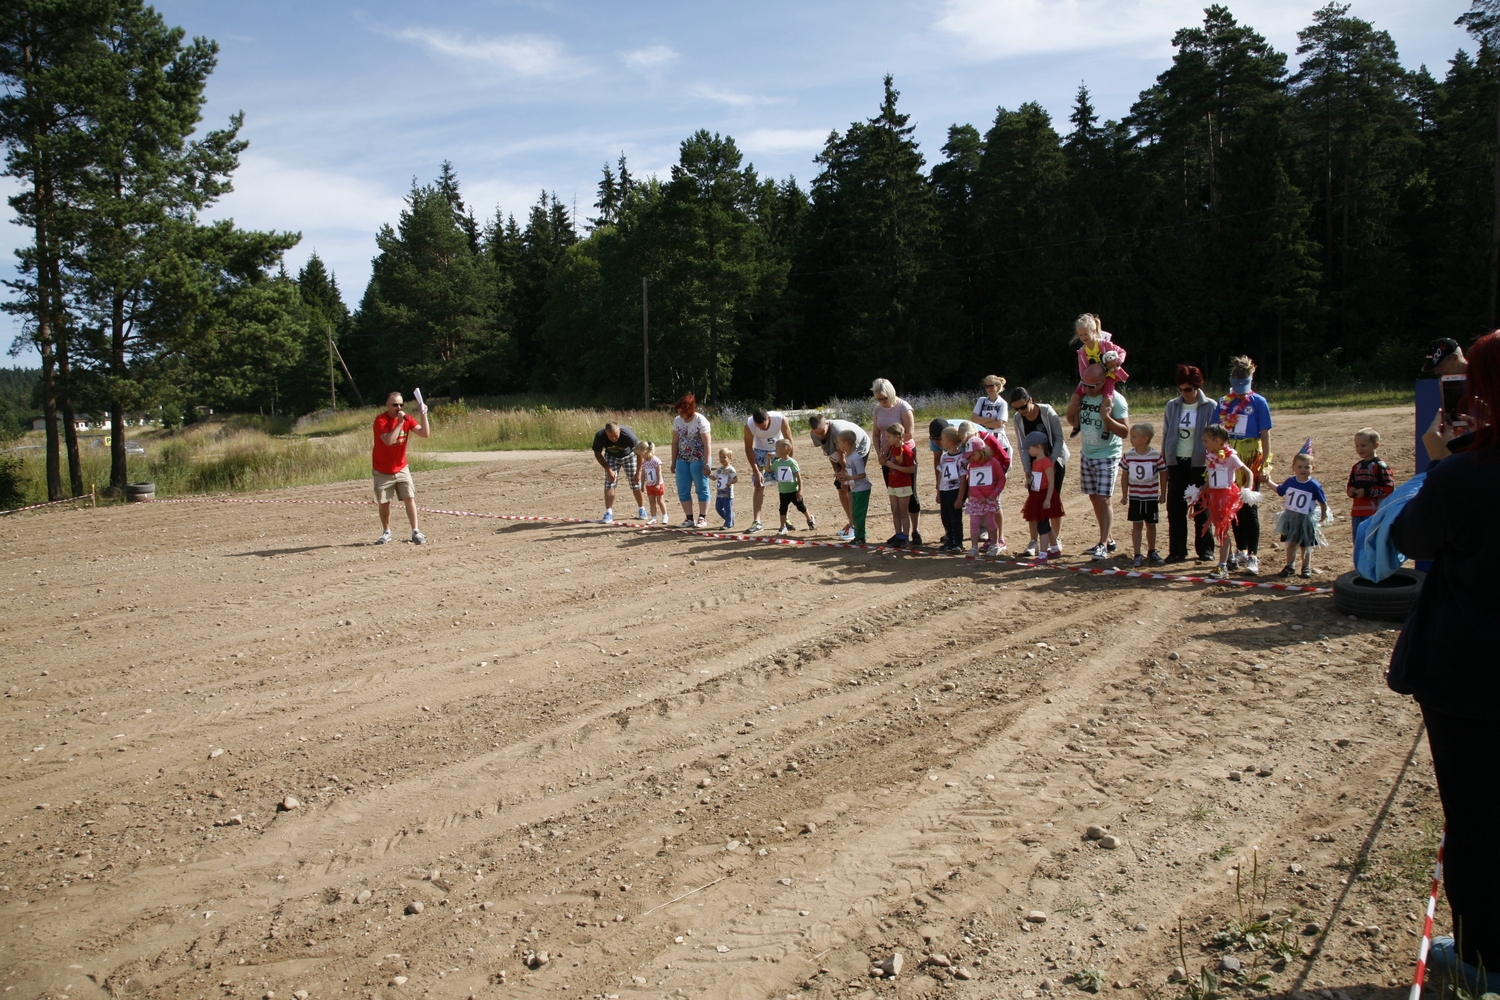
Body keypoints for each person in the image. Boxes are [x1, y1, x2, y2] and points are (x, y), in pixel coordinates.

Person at [1387, 330, 1500, 993]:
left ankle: (1484, 956)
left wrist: (1436, 459)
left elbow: (1411, 538)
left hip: (1470, 677)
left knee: (1478, 815)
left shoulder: (1465, 473)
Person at [1212, 356, 1273, 575]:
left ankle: (1253, 556)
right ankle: (1241, 549)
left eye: (1243, 387)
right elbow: (1215, 431)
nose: (1239, 392)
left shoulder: (1258, 402)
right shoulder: (1223, 402)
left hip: (1249, 458)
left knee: (1249, 506)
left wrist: (1264, 463)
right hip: (1228, 458)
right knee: (1233, 507)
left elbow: (1265, 435)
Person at [1066, 363, 1130, 560]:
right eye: (1084, 385)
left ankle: (1102, 544)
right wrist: (1071, 408)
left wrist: (1106, 418)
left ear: (1103, 382)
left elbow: (1125, 432)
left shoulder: (1116, 401)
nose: (1086, 389)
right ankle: (1108, 540)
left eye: (1091, 386)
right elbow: (1072, 421)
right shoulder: (1083, 396)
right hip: (1087, 454)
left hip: (1108, 454)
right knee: (1093, 497)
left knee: (1104, 499)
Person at [1163, 365, 1217, 563]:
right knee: (1175, 509)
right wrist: (1167, 462)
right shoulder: (1172, 406)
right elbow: (1166, 434)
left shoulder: (1210, 406)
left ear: (1197, 387)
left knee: (1202, 509)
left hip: (1200, 464)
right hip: (1177, 463)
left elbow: (1216, 437)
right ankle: (1177, 551)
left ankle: (1205, 550)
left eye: (1188, 390)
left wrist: (1213, 464)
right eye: (1181, 389)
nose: (1184, 394)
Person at [1010, 386, 1070, 554]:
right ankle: (1033, 541)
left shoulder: (1047, 411)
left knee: (1053, 501)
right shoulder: (1018, 418)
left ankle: (1055, 540)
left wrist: (1048, 463)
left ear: (1031, 400)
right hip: (1034, 463)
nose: (1020, 411)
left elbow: (1058, 438)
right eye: (1016, 408)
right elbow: (1022, 446)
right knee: (1035, 501)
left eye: (1022, 407)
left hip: (1054, 460)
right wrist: (1027, 469)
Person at [371, 390, 430, 545]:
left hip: (401, 467)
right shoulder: (381, 421)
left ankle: (416, 531)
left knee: (409, 497)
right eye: (395, 404)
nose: (398, 407)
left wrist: (423, 413)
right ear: (387, 405)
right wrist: (399, 423)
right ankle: (386, 531)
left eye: (401, 404)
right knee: (384, 502)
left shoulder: (407, 419)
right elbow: (389, 441)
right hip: (383, 469)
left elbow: (425, 433)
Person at [1194, 424, 1250, 580]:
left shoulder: (1231, 457)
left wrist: (1247, 489)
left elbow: (1248, 472)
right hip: (1214, 496)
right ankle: (1229, 558)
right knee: (1220, 528)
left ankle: (1222, 565)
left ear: (1218, 440)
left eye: (1206, 441)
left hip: (1226, 496)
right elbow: (1210, 480)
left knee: (1223, 530)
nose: (1204, 444)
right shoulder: (1210, 457)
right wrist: (1198, 492)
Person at [871, 378, 923, 546]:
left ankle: (914, 530)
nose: (881, 402)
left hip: (903, 451)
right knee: (893, 490)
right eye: (878, 399)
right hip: (887, 455)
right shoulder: (878, 410)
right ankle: (899, 533)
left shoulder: (903, 407)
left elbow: (909, 433)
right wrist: (880, 453)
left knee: (910, 493)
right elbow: (875, 434)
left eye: (884, 398)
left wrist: (888, 445)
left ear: (891, 394)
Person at [808, 414, 869, 542]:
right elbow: (830, 452)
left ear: (827, 425)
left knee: (851, 488)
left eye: (822, 433)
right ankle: (851, 523)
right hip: (840, 454)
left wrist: (846, 476)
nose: (820, 436)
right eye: (816, 433)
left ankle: (856, 527)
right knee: (841, 488)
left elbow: (844, 455)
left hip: (857, 450)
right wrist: (837, 471)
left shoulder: (838, 432)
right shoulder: (815, 433)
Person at [1273, 442, 1328, 578]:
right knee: (1291, 542)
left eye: (1306, 467)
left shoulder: (1314, 485)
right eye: (1299, 467)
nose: (1303, 469)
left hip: (1306, 519)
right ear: (1294, 468)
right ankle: (1290, 566)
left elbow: (1322, 501)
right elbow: (1280, 490)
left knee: (1306, 544)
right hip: (1291, 517)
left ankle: (1306, 567)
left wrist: (1323, 514)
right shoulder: (1290, 481)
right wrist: (1268, 481)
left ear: (1313, 468)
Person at [1119, 422, 1167, 567]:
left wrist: (1163, 493)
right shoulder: (1128, 456)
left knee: (1151, 525)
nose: (1131, 439)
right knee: (1136, 525)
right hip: (1136, 497)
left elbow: (1163, 474)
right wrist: (1124, 495)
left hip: (1151, 497)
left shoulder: (1156, 455)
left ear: (1145, 439)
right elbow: (1124, 476)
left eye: (1134, 437)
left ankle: (1152, 551)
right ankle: (1137, 554)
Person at [1346, 428, 1394, 552]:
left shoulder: (1380, 466)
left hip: (1374, 512)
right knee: (1359, 542)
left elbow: (1388, 488)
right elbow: (1351, 484)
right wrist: (1351, 491)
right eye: (1357, 445)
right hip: (1357, 512)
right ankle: (1362, 568)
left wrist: (1367, 492)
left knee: (1373, 542)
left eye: (1363, 445)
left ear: (1375, 445)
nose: (1359, 449)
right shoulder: (1356, 467)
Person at [1070, 313, 1129, 411]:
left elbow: (1122, 352)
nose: (1083, 337)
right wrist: (1085, 385)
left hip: (1108, 377)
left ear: (1093, 331)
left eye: (1085, 334)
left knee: (1107, 400)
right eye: (1080, 335)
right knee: (1074, 398)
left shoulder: (1104, 344)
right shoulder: (1081, 352)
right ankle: (1077, 425)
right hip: (1090, 381)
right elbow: (1082, 371)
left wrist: (1117, 361)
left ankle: (1107, 420)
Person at [742, 407, 788, 533]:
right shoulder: (750, 424)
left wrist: (788, 461)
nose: (761, 428)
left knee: (785, 486)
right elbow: (748, 448)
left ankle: (786, 519)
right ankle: (757, 522)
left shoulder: (780, 419)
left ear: (769, 419)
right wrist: (756, 471)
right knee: (758, 485)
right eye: (759, 426)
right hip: (760, 453)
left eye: (763, 425)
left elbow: (789, 441)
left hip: (779, 451)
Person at [671, 393, 713, 528]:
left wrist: (707, 463)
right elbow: (675, 442)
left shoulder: (701, 421)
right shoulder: (677, 421)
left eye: (682, 410)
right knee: (683, 489)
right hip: (682, 460)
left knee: (701, 488)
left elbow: (707, 444)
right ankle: (689, 518)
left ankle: (703, 517)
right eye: (679, 410)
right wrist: (673, 462)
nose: (680, 413)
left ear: (690, 409)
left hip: (699, 460)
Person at [591, 421, 645, 524]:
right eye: (610, 437)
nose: (613, 439)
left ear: (619, 430)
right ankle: (608, 513)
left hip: (629, 456)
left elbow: (640, 453)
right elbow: (597, 453)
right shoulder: (600, 435)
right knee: (609, 483)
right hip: (611, 457)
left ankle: (641, 509)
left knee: (636, 483)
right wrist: (608, 469)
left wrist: (638, 472)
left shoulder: (629, 435)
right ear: (606, 433)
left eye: (615, 436)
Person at [1020, 430, 1063, 560]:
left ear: (1039, 447)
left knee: (1042, 526)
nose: (1027, 451)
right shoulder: (1035, 462)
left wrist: (1048, 499)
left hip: (1045, 496)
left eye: (1029, 448)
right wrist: (1029, 482)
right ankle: (1054, 548)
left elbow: (1051, 483)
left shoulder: (1047, 463)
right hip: (1037, 495)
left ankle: (1043, 554)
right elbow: (1037, 477)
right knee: (1044, 524)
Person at [964, 443, 1006, 557]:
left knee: (990, 522)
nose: (971, 457)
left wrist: (995, 493)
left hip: (990, 499)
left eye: (973, 454)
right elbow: (972, 483)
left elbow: (1002, 479)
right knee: (974, 522)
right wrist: (978, 496)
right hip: (976, 499)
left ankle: (994, 544)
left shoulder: (993, 462)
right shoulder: (972, 465)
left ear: (981, 451)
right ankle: (974, 547)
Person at [878, 422, 916, 546]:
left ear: (897, 437)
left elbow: (911, 469)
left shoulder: (906, 450)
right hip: (893, 484)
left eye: (889, 437)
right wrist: (884, 462)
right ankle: (898, 534)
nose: (887, 439)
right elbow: (888, 462)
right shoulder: (892, 449)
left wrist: (894, 466)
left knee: (903, 511)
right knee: (895, 511)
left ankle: (905, 536)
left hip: (903, 485)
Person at [768, 438, 814, 536]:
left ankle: (809, 519)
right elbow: (768, 469)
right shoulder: (777, 462)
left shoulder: (792, 462)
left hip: (794, 490)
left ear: (784, 449)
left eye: (777, 448)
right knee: (783, 508)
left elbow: (799, 477)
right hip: (783, 491)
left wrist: (800, 490)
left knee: (800, 506)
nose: (775, 450)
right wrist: (768, 459)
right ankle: (782, 526)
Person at [834, 428, 873, 544]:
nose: (837, 445)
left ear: (846, 444)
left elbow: (862, 474)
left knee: (859, 514)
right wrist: (842, 474)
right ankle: (859, 535)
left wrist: (849, 478)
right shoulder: (848, 456)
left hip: (862, 489)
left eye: (839, 442)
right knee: (855, 513)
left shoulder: (855, 458)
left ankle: (860, 537)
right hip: (855, 488)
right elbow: (852, 473)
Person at [936, 424, 968, 553]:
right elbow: (940, 474)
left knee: (955, 517)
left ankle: (958, 542)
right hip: (944, 490)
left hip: (955, 490)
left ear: (950, 442)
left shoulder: (961, 458)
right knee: (945, 516)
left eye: (942, 440)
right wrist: (938, 491)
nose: (940, 442)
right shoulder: (944, 457)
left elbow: (963, 478)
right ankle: (949, 539)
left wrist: (960, 497)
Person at [971, 375, 1013, 457]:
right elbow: (974, 419)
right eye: (986, 386)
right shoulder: (981, 400)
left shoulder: (1002, 403)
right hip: (982, 436)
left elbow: (998, 424)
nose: (989, 389)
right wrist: (991, 419)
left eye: (991, 386)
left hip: (998, 437)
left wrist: (981, 422)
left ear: (998, 386)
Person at [637, 440, 666, 523]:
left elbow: (659, 473)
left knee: (660, 501)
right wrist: (642, 484)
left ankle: (664, 516)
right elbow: (643, 474)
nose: (641, 456)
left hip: (658, 484)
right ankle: (653, 518)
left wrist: (658, 484)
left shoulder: (656, 461)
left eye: (641, 454)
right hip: (649, 485)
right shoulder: (644, 463)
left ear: (647, 451)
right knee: (651, 501)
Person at [713, 447, 738, 530]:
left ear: (730, 458)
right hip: (719, 493)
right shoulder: (719, 469)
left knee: (727, 508)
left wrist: (730, 483)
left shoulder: (731, 470)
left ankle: (728, 523)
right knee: (718, 508)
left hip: (728, 493)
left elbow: (735, 479)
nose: (722, 459)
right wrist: (707, 474)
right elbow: (714, 478)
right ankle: (730, 518)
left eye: (724, 457)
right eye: (720, 457)